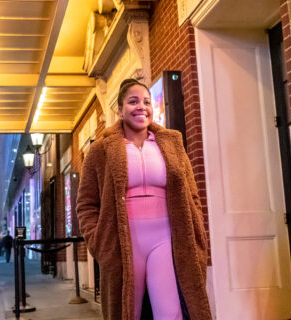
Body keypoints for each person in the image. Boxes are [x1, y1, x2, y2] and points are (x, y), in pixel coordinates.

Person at [76, 79, 211, 319]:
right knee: (129, 313)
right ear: (119, 110)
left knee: (170, 313)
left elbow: (191, 193)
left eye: (146, 102)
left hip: (165, 240)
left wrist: (196, 228)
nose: (142, 107)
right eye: (133, 101)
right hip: (123, 244)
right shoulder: (101, 150)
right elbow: (86, 204)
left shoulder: (172, 143)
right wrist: (99, 243)